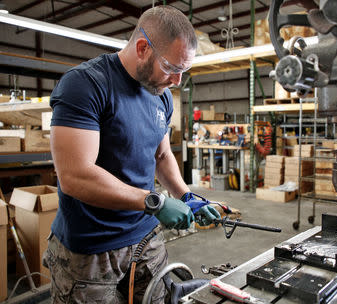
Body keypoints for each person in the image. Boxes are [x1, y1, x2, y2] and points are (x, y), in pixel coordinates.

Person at [42, 6, 220, 304]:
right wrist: (154, 202)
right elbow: (75, 176)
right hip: (91, 250)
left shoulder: (160, 95)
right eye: (172, 68)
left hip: (146, 240)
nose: (176, 82)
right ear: (142, 48)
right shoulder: (86, 85)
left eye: (183, 72)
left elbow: (162, 156)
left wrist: (186, 195)